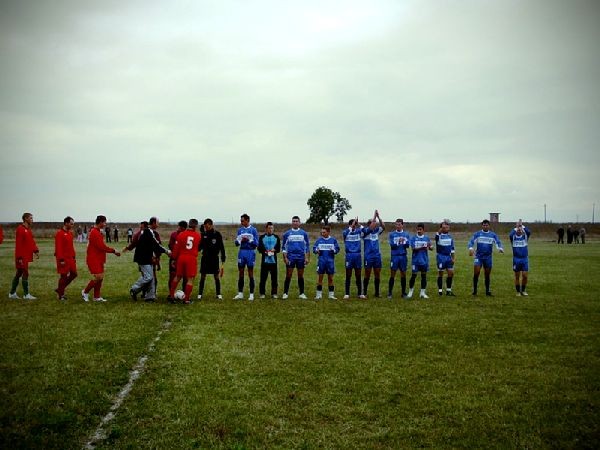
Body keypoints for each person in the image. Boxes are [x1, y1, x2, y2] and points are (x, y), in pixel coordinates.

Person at [123, 221, 170, 302]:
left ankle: (150, 297)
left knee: (151, 277)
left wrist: (157, 256)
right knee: (148, 277)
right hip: (143, 259)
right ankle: (134, 289)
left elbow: (154, 245)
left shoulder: (147, 233)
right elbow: (156, 245)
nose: (140, 228)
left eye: (141, 227)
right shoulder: (147, 233)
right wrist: (167, 252)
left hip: (147, 258)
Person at [82, 215, 120, 302]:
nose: (105, 224)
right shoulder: (94, 232)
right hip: (93, 258)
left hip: (99, 258)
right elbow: (101, 247)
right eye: (104, 222)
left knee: (101, 277)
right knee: (98, 277)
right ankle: (85, 292)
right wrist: (114, 251)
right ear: (100, 222)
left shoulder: (98, 231)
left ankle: (96, 297)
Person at [169, 219, 201, 304]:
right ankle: (186, 299)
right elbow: (197, 247)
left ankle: (171, 296)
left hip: (181, 257)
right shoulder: (198, 236)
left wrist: (173, 259)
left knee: (177, 276)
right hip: (191, 258)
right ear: (196, 226)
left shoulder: (181, 234)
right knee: (190, 279)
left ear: (188, 225)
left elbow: (176, 248)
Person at [468, 219, 504, 297]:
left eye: (486, 225)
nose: (485, 226)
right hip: (478, 257)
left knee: (487, 274)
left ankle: (487, 291)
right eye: (484, 225)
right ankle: (474, 291)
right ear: (482, 226)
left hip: (488, 257)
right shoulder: (478, 234)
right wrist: (470, 248)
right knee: (476, 273)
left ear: (489, 226)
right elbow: (471, 241)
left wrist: (500, 248)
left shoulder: (493, 235)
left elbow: (498, 242)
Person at [9, 213, 39, 299]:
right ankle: (26, 295)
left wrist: (35, 250)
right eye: (31, 218)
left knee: (19, 273)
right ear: (25, 219)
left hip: (26, 255)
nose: (32, 220)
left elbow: (31, 241)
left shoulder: (28, 229)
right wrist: (19, 257)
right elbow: (18, 244)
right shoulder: (20, 229)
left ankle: (12, 293)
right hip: (21, 256)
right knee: (25, 273)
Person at [282, 216, 310, 300]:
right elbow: (284, 247)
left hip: (301, 257)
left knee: (300, 275)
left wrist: (307, 258)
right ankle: (285, 293)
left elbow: (307, 246)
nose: (295, 222)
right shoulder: (287, 233)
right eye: (293, 221)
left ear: (299, 223)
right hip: (291, 257)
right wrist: (285, 258)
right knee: (288, 275)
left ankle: (301, 293)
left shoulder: (303, 233)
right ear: (292, 222)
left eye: (296, 221)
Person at [198, 218, 226, 300]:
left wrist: (223, 256)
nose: (206, 228)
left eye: (207, 226)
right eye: (205, 227)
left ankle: (218, 294)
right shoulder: (203, 234)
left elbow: (221, 246)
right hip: (205, 258)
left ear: (211, 225)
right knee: (203, 276)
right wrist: (201, 235)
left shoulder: (217, 234)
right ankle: (200, 294)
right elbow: (199, 247)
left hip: (214, 258)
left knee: (216, 276)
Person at [233, 214, 259, 301]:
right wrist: (240, 240)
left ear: (247, 220)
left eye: (242, 221)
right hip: (242, 252)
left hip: (250, 252)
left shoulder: (253, 230)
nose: (241, 222)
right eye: (241, 221)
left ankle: (251, 294)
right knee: (241, 272)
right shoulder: (240, 230)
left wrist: (249, 240)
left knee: (250, 273)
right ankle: (240, 293)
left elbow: (256, 244)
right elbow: (236, 243)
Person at [361, 209, 385, 298]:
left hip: (377, 256)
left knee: (377, 273)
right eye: (373, 223)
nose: (375, 224)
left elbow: (383, 226)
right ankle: (364, 292)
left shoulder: (377, 231)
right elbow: (371, 227)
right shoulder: (365, 231)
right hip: (368, 256)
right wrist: (374, 216)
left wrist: (379, 217)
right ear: (369, 224)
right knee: (367, 273)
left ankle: (377, 292)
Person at [313, 225, 340, 300]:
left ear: (328, 232)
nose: (322, 234)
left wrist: (334, 251)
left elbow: (337, 249)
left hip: (330, 262)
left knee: (330, 278)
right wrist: (316, 250)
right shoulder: (319, 240)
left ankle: (331, 295)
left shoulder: (333, 240)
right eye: (322, 232)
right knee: (320, 278)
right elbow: (314, 248)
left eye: (324, 232)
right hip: (321, 261)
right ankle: (318, 295)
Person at [54, 216, 78, 300]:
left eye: (73, 224)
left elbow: (71, 246)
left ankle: (60, 289)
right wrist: (61, 259)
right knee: (63, 276)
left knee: (74, 274)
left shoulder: (70, 233)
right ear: (66, 223)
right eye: (71, 224)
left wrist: (74, 256)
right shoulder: (59, 233)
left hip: (70, 258)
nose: (72, 225)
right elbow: (58, 247)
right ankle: (61, 295)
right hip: (63, 259)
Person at [407, 223, 433, 299]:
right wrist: (422, 247)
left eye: (420, 229)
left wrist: (430, 247)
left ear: (423, 230)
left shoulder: (427, 238)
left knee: (424, 276)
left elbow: (431, 248)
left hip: (424, 260)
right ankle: (410, 292)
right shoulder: (413, 238)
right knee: (413, 276)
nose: (419, 231)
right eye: (418, 229)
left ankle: (422, 293)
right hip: (415, 261)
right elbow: (413, 249)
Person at [387, 218, 410, 299]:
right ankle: (390, 293)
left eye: (399, 224)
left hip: (403, 256)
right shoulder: (392, 234)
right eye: (396, 224)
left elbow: (408, 245)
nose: (397, 226)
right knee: (392, 274)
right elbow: (392, 246)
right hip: (395, 256)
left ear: (402, 225)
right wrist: (398, 242)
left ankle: (403, 293)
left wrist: (404, 242)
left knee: (403, 274)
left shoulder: (406, 234)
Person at [257, 222, 281, 299]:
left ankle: (274, 293)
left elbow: (278, 248)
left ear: (273, 229)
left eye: (272, 228)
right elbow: (259, 248)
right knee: (263, 278)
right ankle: (262, 293)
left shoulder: (276, 237)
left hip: (273, 261)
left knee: (274, 278)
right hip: (265, 261)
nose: (270, 230)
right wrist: (265, 251)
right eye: (269, 228)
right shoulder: (262, 237)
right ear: (266, 229)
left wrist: (274, 249)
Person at [342, 217, 363, 299]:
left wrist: (358, 224)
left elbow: (365, 230)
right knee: (348, 274)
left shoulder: (358, 232)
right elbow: (345, 234)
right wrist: (352, 226)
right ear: (349, 225)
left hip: (357, 255)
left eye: (355, 225)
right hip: (349, 255)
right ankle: (347, 293)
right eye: (353, 225)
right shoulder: (346, 232)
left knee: (358, 275)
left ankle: (360, 293)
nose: (354, 226)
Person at [168, 220, 188, 299]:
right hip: (175, 258)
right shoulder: (174, 234)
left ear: (183, 228)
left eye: (180, 227)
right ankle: (171, 294)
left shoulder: (186, 235)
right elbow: (170, 245)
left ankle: (184, 294)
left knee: (185, 277)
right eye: (178, 227)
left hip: (183, 259)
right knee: (172, 276)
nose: (178, 228)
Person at [435, 221, 456, 296]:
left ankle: (448, 290)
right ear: (441, 228)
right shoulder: (439, 236)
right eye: (444, 227)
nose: (446, 228)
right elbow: (436, 236)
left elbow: (452, 248)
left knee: (451, 273)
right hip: (441, 256)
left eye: (447, 227)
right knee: (441, 273)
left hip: (448, 257)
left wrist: (453, 258)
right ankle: (440, 291)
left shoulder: (450, 237)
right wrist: (441, 228)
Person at [509, 223, 531, 296]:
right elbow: (510, 235)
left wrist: (522, 226)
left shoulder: (525, 237)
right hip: (516, 259)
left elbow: (528, 232)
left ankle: (523, 290)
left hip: (524, 259)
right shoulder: (513, 238)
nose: (519, 230)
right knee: (517, 276)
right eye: (517, 229)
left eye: (520, 229)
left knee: (525, 276)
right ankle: (518, 291)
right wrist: (516, 227)